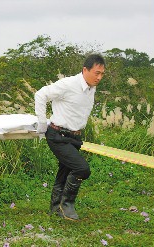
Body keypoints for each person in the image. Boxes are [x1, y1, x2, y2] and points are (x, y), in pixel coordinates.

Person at [35, 54, 105, 220]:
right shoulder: (69, 84)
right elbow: (41, 94)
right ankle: (67, 204)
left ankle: (55, 208)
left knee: (65, 171)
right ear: (85, 70)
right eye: (97, 73)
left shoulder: (91, 88)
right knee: (82, 169)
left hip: (73, 137)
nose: (99, 77)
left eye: (102, 74)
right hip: (57, 135)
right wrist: (42, 122)